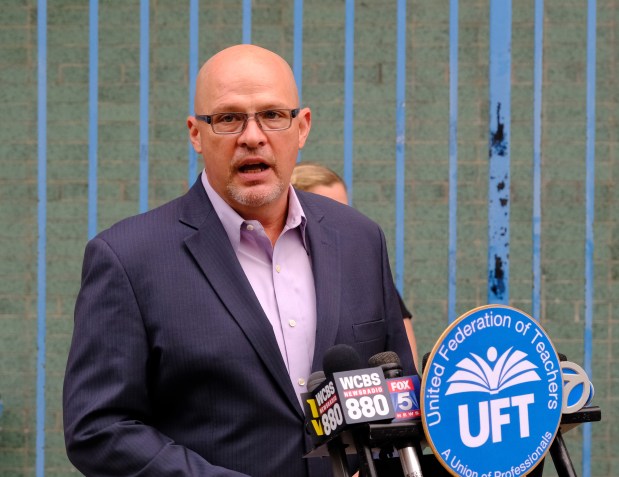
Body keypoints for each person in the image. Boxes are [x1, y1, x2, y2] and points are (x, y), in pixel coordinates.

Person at [63, 44, 415, 477]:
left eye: (272, 115)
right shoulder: (128, 258)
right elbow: (98, 429)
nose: (253, 136)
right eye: (228, 118)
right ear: (195, 133)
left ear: (302, 127)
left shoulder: (360, 239)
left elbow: (400, 400)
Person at [291, 162, 420, 367]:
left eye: (343, 207)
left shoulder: (369, 276)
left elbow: (405, 366)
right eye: (325, 206)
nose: (336, 216)